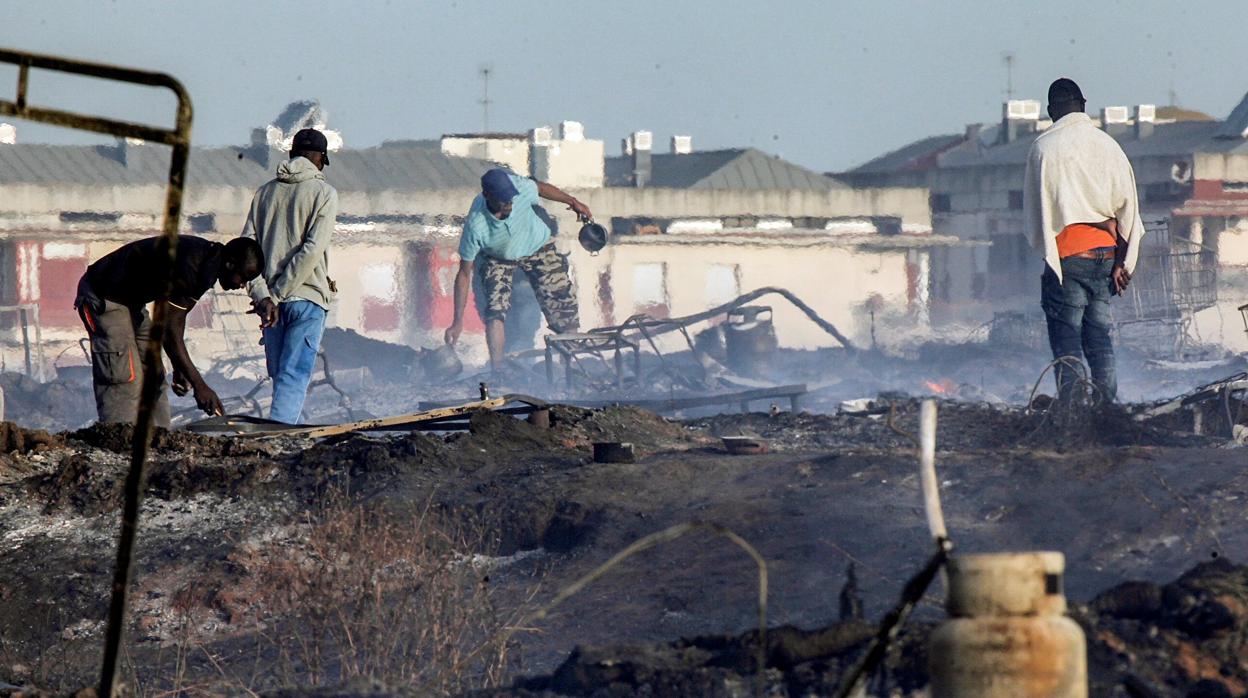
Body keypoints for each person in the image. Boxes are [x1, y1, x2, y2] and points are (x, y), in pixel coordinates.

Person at [1023, 78, 1145, 402]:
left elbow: (1037, 217)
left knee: (1067, 341)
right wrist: (1123, 262)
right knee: (1100, 339)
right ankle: (1106, 411)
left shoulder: (1044, 148)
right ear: (1084, 105)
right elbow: (1129, 211)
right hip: (1106, 257)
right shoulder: (1109, 146)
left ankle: (1073, 413)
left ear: (1051, 111)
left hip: (1067, 258)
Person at [74, 236, 264, 425]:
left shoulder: (207, 266)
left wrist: (180, 365)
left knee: (153, 374)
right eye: (244, 278)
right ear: (230, 264)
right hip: (103, 296)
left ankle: (157, 439)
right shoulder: (192, 264)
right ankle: (121, 442)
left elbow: (176, 320)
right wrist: (200, 386)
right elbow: (169, 330)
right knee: (124, 374)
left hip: (131, 302)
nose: (242, 286)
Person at [444, 168, 591, 371]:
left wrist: (572, 201)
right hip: (498, 256)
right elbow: (463, 274)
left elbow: (539, 188)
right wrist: (457, 320)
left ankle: (572, 366)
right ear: (487, 196)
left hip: (537, 245)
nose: (509, 204)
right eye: (503, 201)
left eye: (511, 199)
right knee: (494, 311)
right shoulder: (476, 226)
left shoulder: (519, 188)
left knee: (562, 304)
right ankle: (499, 371)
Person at [241, 128, 339, 424]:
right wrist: (278, 294)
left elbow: (246, 251)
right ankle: (279, 434)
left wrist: (263, 296)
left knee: (280, 374)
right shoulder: (324, 194)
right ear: (320, 159)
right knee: (293, 374)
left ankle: (277, 428)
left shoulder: (265, 193)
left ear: (292, 154)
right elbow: (311, 251)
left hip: (271, 306)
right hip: (306, 299)